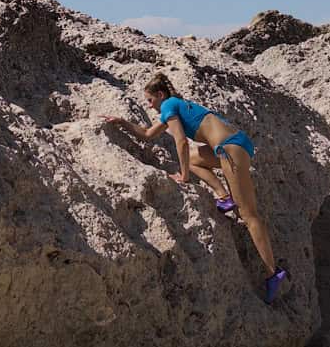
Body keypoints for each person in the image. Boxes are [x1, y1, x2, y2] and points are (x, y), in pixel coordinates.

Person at [105, 73, 289, 304]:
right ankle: (223, 196)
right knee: (193, 159)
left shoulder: (170, 104)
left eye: (150, 100)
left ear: (160, 95)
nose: (148, 105)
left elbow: (180, 141)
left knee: (249, 215)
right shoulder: (173, 107)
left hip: (229, 148)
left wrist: (183, 176)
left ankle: (273, 273)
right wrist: (121, 122)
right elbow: (148, 134)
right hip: (233, 145)